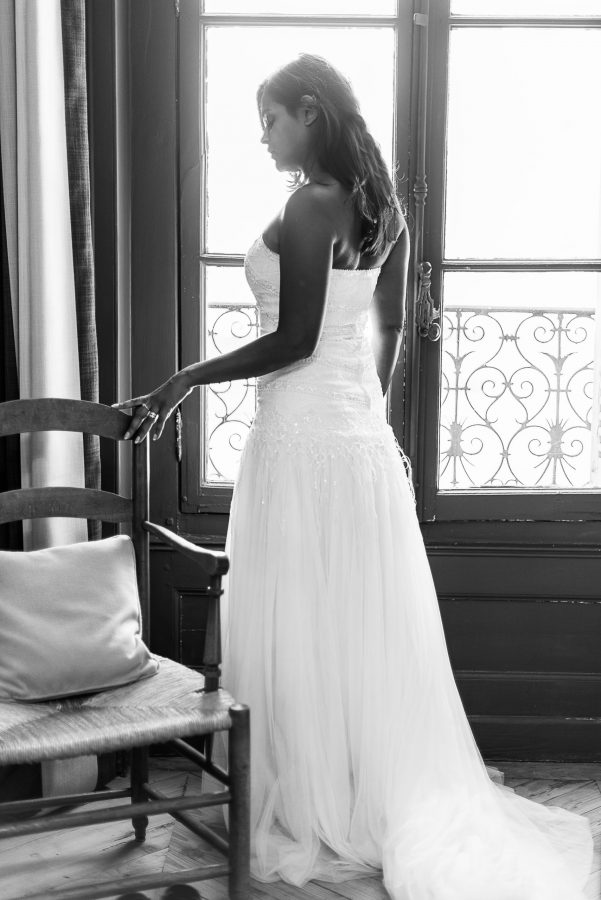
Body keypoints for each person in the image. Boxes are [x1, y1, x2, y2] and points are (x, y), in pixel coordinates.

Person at [114, 54, 593, 900]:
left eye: (270, 120)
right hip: (356, 442)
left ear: (309, 110)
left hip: (301, 437)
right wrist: (365, 410)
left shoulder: (308, 204)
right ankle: (342, 790)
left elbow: (294, 340)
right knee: (350, 626)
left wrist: (184, 377)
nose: (262, 138)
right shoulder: (384, 207)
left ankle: (307, 797)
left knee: (305, 613)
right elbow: (390, 328)